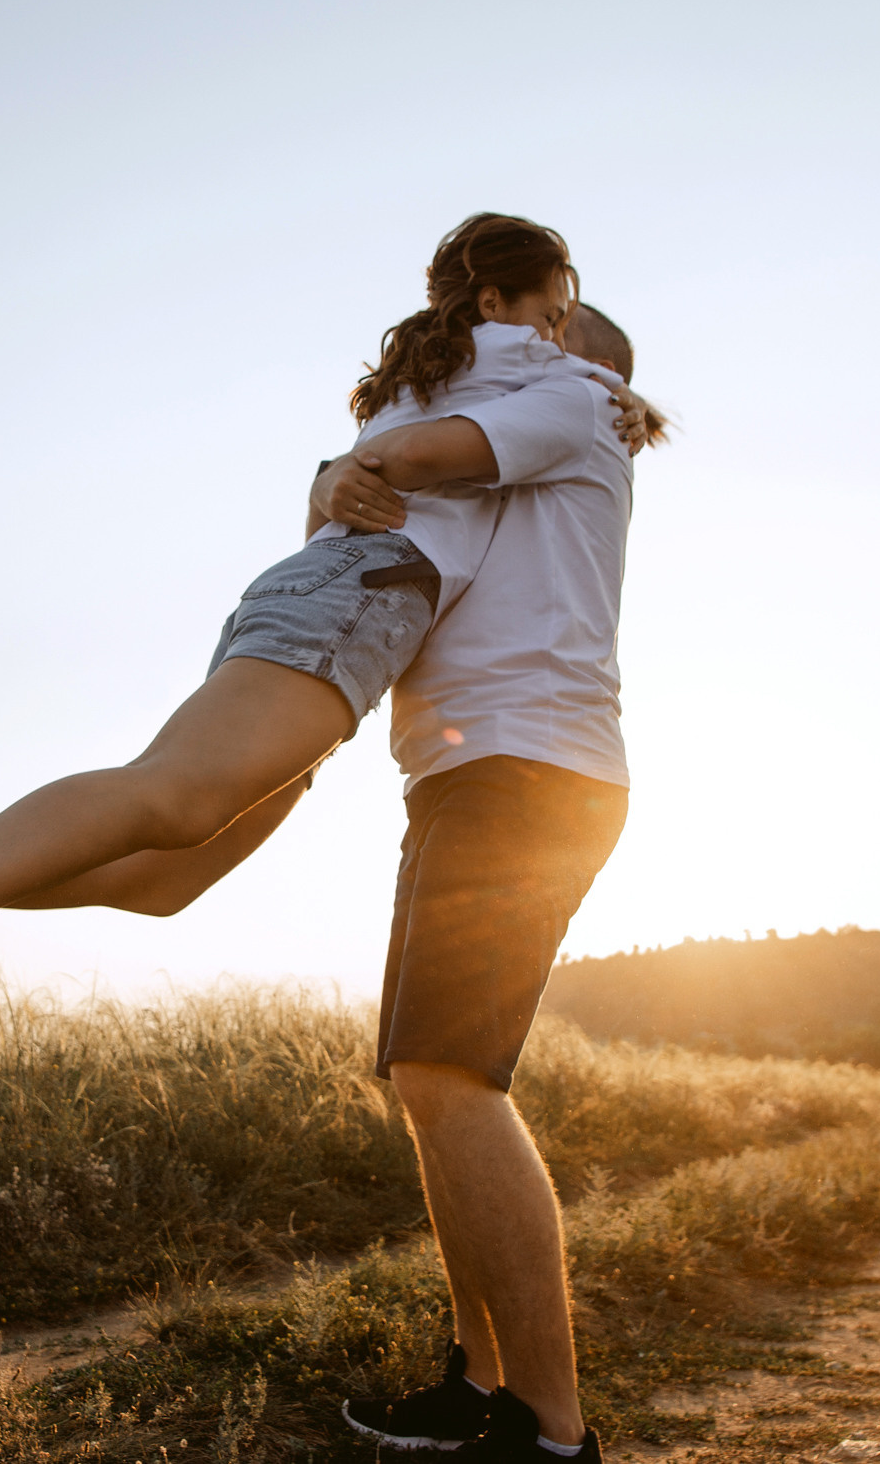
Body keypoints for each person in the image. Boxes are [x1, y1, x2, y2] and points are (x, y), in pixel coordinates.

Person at [0, 215, 660, 1113]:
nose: (554, 342)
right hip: (359, 601)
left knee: (163, 876)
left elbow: (352, 490)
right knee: (175, 794)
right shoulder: (549, 381)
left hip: (355, 619)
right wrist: (576, 393)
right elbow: (412, 455)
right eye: (551, 319)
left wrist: (336, 474)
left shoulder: (484, 384)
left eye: (566, 334)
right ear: (501, 307)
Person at [322, 300, 647, 1464]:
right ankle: (479, 1380)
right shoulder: (523, 444)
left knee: (452, 1075)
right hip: (468, 775)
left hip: (527, 771)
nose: (509, 350)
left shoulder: (577, 407)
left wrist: (347, 464)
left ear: (586, 366)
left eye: (545, 334)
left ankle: (551, 1435)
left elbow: (399, 458)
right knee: (428, 1082)